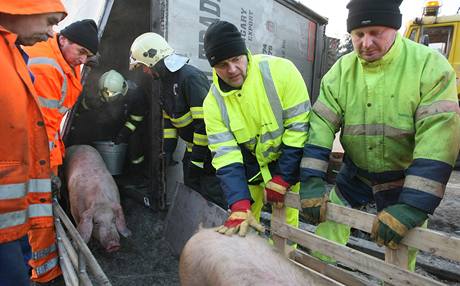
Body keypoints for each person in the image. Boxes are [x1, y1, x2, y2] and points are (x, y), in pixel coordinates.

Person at [299, 0, 460, 271]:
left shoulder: (429, 66)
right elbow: (321, 126)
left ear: (394, 29)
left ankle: (395, 278)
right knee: (330, 224)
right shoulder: (341, 71)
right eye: (359, 34)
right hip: (357, 174)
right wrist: (312, 180)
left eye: (376, 33)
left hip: (403, 178)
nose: (366, 42)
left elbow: (438, 139)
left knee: (402, 241)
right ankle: (318, 272)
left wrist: (413, 206)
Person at [202, 21, 310, 236]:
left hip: (287, 158)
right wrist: (239, 203)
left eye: (236, 59)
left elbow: (299, 129)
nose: (232, 70)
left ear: (245, 54)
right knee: (244, 221)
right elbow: (225, 155)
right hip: (251, 165)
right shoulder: (212, 103)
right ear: (213, 67)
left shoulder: (282, 72)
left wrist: (284, 177)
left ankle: (284, 262)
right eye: (223, 64)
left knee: (287, 220)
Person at [23, 19, 98, 283]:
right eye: (81, 52)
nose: (82, 59)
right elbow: (40, 126)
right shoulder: (47, 68)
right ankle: (45, 275)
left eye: (87, 56)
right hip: (32, 154)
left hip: (37, 147)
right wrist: (48, 167)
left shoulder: (61, 60)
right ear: (64, 39)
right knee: (41, 214)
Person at [0, 1, 66, 285]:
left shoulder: (15, 56)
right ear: (22, 6)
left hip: (14, 220)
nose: (51, 33)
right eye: (49, 21)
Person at [129, 32, 227, 209]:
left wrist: (197, 161)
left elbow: (204, 124)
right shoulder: (165, 82)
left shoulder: (189, 78)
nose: (144, 71)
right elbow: (169, 121)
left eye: (143, 66)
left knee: (213, 201)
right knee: (192, 195)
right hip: (193, 152)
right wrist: (167, 151)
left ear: (152, 58)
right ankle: (199, 234)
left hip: (212, 155)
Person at [98, 69, 150, 186]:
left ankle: (138, 177)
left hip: (137, 125)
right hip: (123, 120)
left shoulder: (137, 95)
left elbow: (135, 120)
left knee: (135, 147)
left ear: (121, 92)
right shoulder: (111, 89)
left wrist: (122, 135)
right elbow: (103, 102)